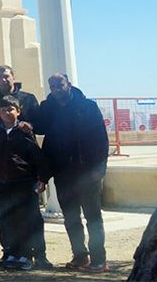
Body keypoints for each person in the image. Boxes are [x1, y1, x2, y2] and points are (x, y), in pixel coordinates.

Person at [36, 73, 109, 273]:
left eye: (60, 84)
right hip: (63, 175)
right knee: (71, 219)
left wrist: (99, 169)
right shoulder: (48, 109)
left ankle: (99, 259)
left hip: (88, 173)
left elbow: (101, 140)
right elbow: (46, 141)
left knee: (93, 217)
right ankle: (80, 256)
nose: (56, 89)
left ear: (68, 84)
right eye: (52, 86)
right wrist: (43, 176)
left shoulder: (87, 107)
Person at [0, 65, 52, 268]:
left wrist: (42, 178)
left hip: (24, 178)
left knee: (30, 218)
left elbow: (37, 152)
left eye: (6, 76)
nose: (3, 80)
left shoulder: (28, 100)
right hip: (2, 179)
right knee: (6, 217)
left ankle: (36, 254)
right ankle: (10, 253)